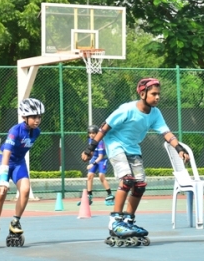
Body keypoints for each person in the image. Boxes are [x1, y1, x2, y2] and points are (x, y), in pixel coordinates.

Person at [81, 78, 190, 247]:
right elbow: (104, 127)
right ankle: (115, 220)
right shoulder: (127, 109)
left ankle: (129, 219)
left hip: (133, 148)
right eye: (154, 94)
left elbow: (166, 133)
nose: (157, 97)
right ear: (142, 93)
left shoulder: (155, 113)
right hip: (115, 145)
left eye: (159, 94)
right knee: (126, 179)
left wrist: (179, 148)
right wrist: (91, 148)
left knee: (140, 184)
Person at [0, 98, 45, 249]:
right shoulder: (15, 130)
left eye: (39, 117)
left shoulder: (37, 132)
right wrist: (3, 179)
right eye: (34, 117)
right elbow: (7, 153)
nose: (37, 120)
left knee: (26, 190)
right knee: (1, 194)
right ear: (24, 117)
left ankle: (15, 221)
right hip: (4, 160)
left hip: (19, 163)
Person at [78, 125, 114, 206]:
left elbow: (100, 156)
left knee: (101, 176)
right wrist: (87, 155)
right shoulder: (90, 140)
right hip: (94, 158)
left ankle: (110, 195)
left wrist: (92, 164)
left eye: (93, 133)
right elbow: (93, 152)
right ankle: (89, 196)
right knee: (89, 176)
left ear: (97, 133)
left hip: (102, 160)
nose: (91, 134)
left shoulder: (100, 142)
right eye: (90, 133)